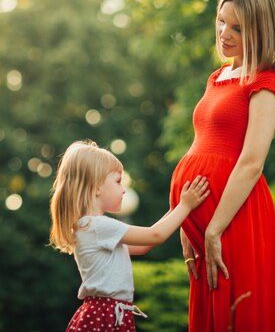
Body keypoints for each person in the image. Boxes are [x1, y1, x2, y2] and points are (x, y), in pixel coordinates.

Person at [169, 0, 275, 331]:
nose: (224, 33)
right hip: (201, 220)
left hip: (233, 218)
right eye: (222, 21)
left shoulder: (268, 82)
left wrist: (213, 230)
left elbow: (252, 162)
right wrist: (184, 219)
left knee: (235, 314)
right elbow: (201, 144)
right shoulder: (218, 75)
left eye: (237, 28)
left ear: (263, 30)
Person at [50, 140, 210, 332]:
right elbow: (155, 235)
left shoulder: (91, 227)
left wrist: (176, 207)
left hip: (109, 312)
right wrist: (185, 206)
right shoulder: (98, 226)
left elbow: (144, 245)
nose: (123, 189)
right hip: (106, 314)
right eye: (118, 181)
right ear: (96, 187)